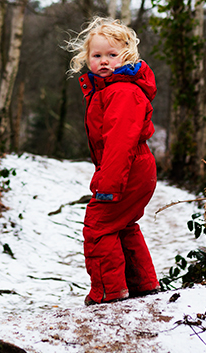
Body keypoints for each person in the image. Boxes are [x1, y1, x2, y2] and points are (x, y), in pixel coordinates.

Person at [67, 17, 160, 306]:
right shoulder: (107, 90)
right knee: (124, 223)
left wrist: (108, 184)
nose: (104, 61)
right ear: (87, 58)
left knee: (98, 225)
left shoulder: (122, 92)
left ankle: (108, 292)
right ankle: (143, 285)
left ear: (127, 56)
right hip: (134, 168)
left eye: (112, 55)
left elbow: (120, 142)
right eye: (97, 56)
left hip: (129, 169)